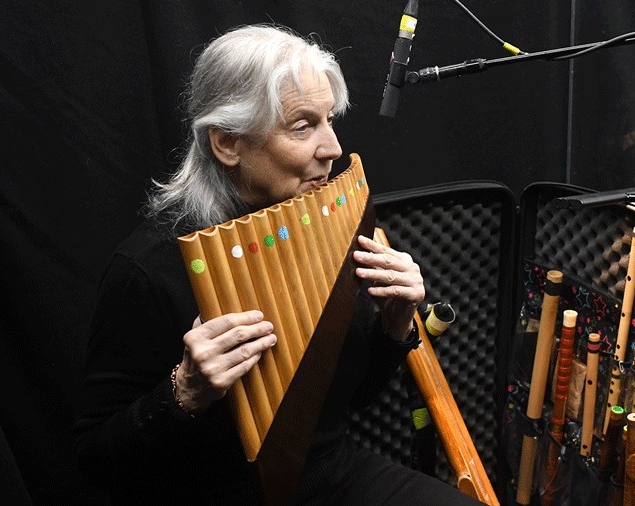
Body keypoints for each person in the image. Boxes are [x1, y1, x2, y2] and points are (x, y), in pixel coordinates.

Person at [73, 24, 483, 505]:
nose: (331, 148)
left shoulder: (333, 224)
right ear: (227, 143)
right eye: (303, 126)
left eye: (329, 119)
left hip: (331, 476)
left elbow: (352, 396)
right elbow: (94, 459)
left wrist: (395, 325)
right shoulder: (147, 270)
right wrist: (182, 393)